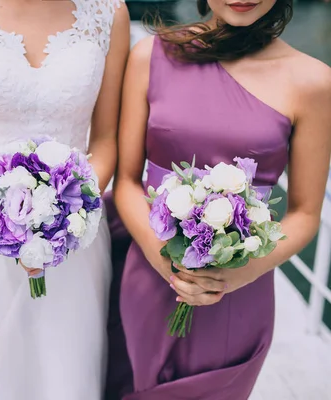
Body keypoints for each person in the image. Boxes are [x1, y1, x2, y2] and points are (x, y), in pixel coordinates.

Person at [112, 0, 331, 397]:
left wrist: (232, 278)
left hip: (239, 291)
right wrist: (161, 255)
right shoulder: (150, 55)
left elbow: (305, 212)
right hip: (150, 272)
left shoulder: (314, 82)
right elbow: (126, 181)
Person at [0, 0, 129, 398]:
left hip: (74, 237)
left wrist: (70, 211)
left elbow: (104, 140)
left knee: (62, 369)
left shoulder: (109, 13)